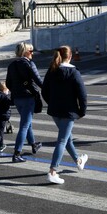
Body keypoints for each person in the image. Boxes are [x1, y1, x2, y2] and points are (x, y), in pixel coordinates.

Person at [42, 45, 88, 184]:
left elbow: (44, 91)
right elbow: (82, 94)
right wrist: (82, 111)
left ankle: (78, 160)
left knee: (66, 138)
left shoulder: (52, 70)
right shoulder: (74, 72)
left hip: (55, 110)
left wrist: (52, 102)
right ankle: (53, 171)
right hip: (69, 111)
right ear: (70, 56)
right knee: (62, 140)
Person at [6, 42, 43, 163]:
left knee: (27, 122)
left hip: (17, 98)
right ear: (25, 52)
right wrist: (48, 89)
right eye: (31, 51)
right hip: (28, 97)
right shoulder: (29, 64)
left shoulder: (12, 65)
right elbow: (38, 80)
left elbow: (8, 83)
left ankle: (33, 144)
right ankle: (16, 153)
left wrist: (16, 90)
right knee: (24, 125)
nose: (32, 53)